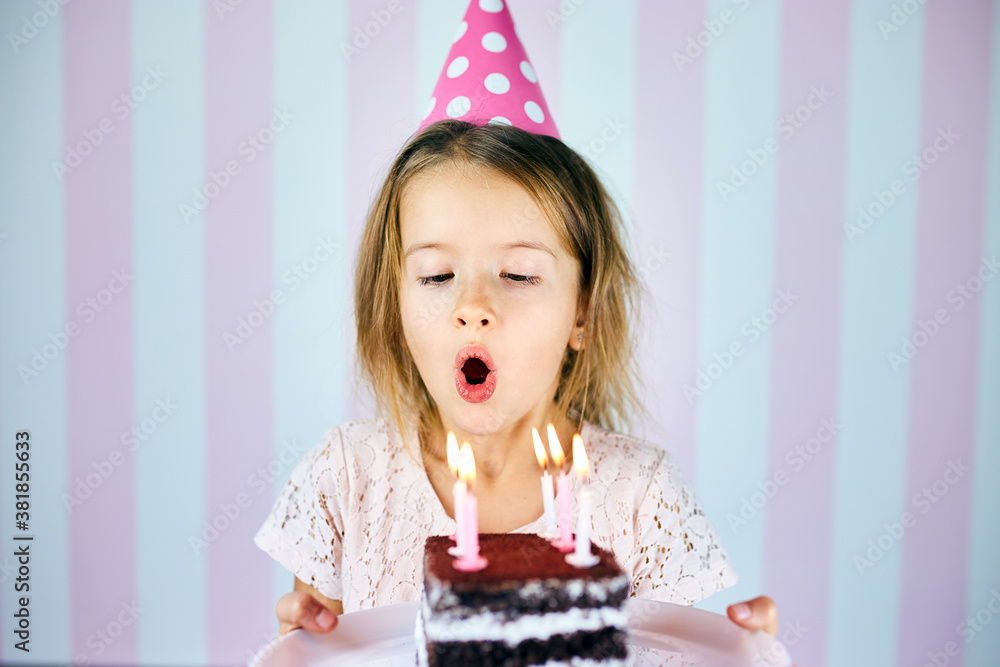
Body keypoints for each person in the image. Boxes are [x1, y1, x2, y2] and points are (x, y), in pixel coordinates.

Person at [253, 118, 781, 641]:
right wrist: (299, 650)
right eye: (437, 275)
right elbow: (322, 648)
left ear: (583, 314)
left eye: (520, 274)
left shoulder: (643, 499)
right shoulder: (347, 478)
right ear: (393, 310)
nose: (473, 307)